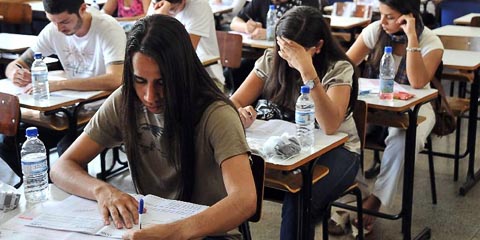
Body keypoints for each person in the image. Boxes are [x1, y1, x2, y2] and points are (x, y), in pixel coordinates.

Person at [50, 14, 256, 239]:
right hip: (150, 223)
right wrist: (104, 191)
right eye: (140, 80)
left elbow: (244, 201)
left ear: (182, 74)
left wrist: (171, 233)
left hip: (207, 233)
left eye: (162, 82)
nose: (149, 96)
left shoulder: (216, 114)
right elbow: (62, 167)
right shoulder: (125, 100)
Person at [230, 6, 360, 239]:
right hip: (289, 149)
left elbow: (330, 125)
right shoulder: (272, 58)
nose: (286, 55)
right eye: (283, 47)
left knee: (300, 198)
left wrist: (307, 71)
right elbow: (235, 101)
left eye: (294, 51)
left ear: (318, 47)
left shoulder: (339, 67)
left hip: (339, 151)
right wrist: (241, 113)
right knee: (226, 179)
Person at [346, 0, 443, 233]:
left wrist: (412, 38)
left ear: (407, 16)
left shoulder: (431, 42)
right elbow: (345, 65)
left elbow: (418, 82)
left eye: (390, 16)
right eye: (381, 14)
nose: (383, 21)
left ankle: (377, 200)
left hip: (416, 108)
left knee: (403, 137)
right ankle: (356, 195)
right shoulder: (375, 31)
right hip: (373, 104)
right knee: (341, 129)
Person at [5, 0, 126, 93]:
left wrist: (59, 85)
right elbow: (17, 64)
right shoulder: (53, 30)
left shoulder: (108, 29)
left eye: (65, 22)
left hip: (103, 101)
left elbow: (116, 79)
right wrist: (14, 73)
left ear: (83, 9)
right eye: (52, 21)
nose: (58, 28)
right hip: (73, 99)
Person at [148, 0, 226, 88]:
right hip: (170, 75)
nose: (170, 14)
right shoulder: (157, 5)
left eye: (172, 9)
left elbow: (183, 54)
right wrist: (159, 17)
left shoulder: (199, 6)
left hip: (205, 78)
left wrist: (162, 20)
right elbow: (146, 46)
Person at [230, 0, 319, 40]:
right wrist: (246, 27)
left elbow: (310, 32)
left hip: (293, 59)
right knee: (230, 74)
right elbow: (234, 22)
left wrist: (272, 33)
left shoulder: (308, 2)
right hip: (262, 56)